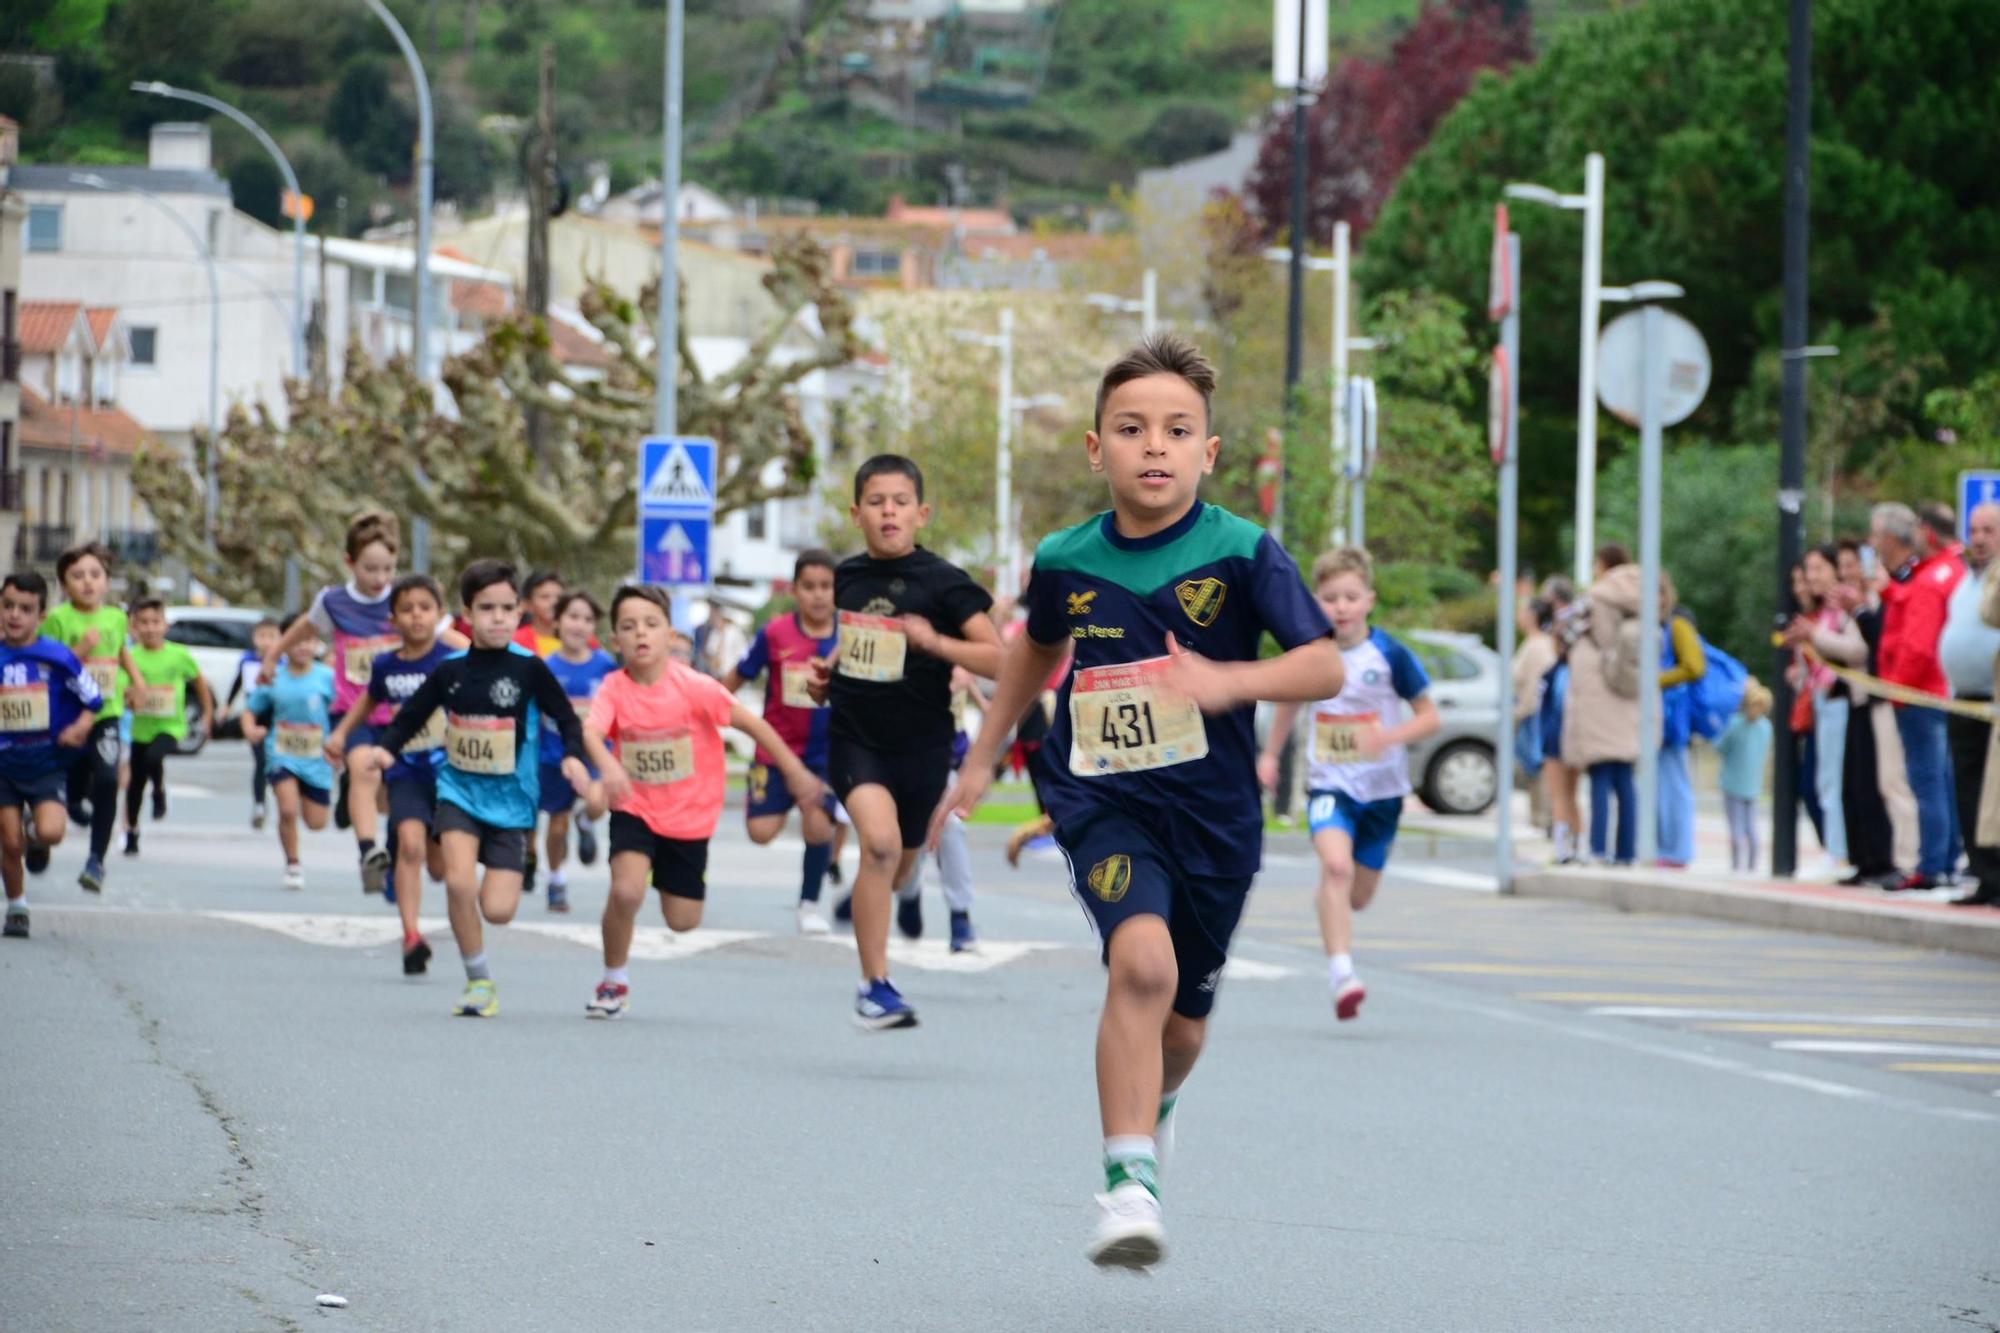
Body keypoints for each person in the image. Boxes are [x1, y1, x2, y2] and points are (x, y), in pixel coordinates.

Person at [928, 333, 1340, 1270]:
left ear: (1209, 451)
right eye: (1131, 428)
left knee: (1184, 1023)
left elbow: (1323, 662)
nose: (1154, 446)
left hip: (1217, 816)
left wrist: (1227, 681)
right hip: (1100, 798)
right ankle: (1126, 1186)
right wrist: (985, 757)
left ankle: (1150, 1110)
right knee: (1141, 967)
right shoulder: (1067, 558)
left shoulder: (1242, 550)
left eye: (1176, 429)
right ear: (1095, 448)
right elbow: (1031, 651)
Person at [806, 453, 1002, 1031]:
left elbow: (998, 658)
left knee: (899, 862)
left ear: (921, 513)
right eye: (875, 502)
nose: (887, 512)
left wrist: (935, 643)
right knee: (882, 846)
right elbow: (852, 639)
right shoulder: (846, 578)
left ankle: (899, 891)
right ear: (856, 513)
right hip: (856, 737)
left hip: (923, 746)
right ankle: (875, 986)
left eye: (899, 502)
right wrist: (826, 676)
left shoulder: (945, 582)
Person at [352, 560, 591, 1018]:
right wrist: (386, 750)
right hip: (458, 792)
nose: (498, 618)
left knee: (497, 909)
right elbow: (410, 716)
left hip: (512, 802)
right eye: (486, 609)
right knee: (459, 882)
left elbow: (565, 717)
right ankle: (479, 981)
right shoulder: (450, 670)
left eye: (506, 608)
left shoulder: (530, 669)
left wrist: (573, 756)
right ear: (467, 613)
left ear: (520, 611)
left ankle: (503, 887)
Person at [578, 585, 827, 1019]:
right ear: (615, 640)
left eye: (651, 625)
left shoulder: (695, 687)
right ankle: (613, 979)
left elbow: (755, 726)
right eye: (629, 626)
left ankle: (663, 876)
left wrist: (795, 771)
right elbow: (591, 733)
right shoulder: (614, 689)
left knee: (683, 920)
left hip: (688, 818)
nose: (641, 634)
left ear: (670, 635)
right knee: (625, 891)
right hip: (634, 807)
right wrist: (610, 769)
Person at [1259, 546, 1437, 1021]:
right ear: (1316, 602)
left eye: (1350, 597)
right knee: (1335, 868)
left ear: (1369, 601)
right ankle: (1343, 975)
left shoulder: (1390, 653)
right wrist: (1271, 755)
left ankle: (1331, 905)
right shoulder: (1311, 652)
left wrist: (1388, 736)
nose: (1341, 607)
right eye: (1331, 597)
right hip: (1330, 785)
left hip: (1382, 791)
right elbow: (1288, 703)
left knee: (1357, 895)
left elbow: (1429, 716)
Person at [326, 574, 451, 972]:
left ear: (439, 615)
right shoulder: (386, 665)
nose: (417, 616)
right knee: (411, 844)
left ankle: (407, 869)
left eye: (425, 608)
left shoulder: (451, 663)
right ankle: (411, 936)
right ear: (393, 619)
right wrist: (342, 734)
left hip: (449, 774)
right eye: (407, 609)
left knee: (440, 867)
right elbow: (366, 703)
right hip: (405, 771)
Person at [263, 512, 405, 839]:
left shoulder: (403, 600)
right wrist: (273, 656)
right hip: (354, 712)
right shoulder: (334, 602)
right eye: (370, 569)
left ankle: (353, 793)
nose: (380, 578)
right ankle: (369, 848)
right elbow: (304, 628)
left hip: (398, 711)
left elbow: (440, 635)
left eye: (388, 569)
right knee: (364, 772)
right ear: (349, 563)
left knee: (388, 792)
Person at [722, 550, 840, 934]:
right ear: (794, 590)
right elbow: (737, 677)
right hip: (775, 751)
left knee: (817, 823)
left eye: (826, 586)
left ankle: (809, 903)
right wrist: (706, 705)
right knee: (761, 833)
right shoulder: (774, 634)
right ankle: (808, 813)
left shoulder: (849, 635)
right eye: (809, 587)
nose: (818, 595)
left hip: (827, 754)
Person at [0, 570, 104, 938]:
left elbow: (93, 697)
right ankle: (17, 906)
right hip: (3, 767)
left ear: (41, 616)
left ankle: (34, 832)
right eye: (8, 606)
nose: (15, 615)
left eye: (25, 609)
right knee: (9, 843)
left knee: (51, 832)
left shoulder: (58, 657)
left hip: (46, 764)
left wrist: (81, 725)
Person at [39, 541, 147, 892]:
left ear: (106, 581)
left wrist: (138, 682)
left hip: (106, 714)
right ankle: (56, 817)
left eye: (95, 575)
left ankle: (96, 861)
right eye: (78, 576)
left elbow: (119, 652)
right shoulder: (58, 619)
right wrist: (80, 650)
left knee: (107, 779)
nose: (88, 582)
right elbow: (45, 665)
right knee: (69, 778)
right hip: (65, 718)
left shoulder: (116, 617)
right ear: (64, 584)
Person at [1872, 501, 1963, 890]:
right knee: (1939, 779)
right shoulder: (1941, 572)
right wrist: (1891, 592)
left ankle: (1932, 865)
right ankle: (1942, 860)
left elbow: (1918, 645)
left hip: (1920, 694)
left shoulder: (1932, 577)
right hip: (1933, 692)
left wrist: (1897, 687)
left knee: (1927, 780)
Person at [1781, 545, 1865, 880]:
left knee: (1831, 781)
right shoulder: (1823, 612)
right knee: (1821, 781)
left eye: (1818, 569)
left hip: (1838, 698)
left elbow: (1851, 652)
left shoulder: (1842, 610)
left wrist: (1813, 637)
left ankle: (1839, 852)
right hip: (1821, 699)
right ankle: (1835, 849)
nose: (1810, 579)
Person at [245, 614, 336, 891]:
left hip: (317, 758)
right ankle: (293, 862)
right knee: (287, 809)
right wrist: (250, 729)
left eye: (308, 641)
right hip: (281, 752)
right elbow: (251, 709)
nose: (302, 647)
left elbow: (345, 711)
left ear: (317, 643)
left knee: (316, 822)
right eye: (295, 641)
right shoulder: (273, 677)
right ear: (284, 644)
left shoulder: (328, 677)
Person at [1563, 545, 1641, 865]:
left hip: (1596, 691)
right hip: (1628, 694)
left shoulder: (1596, 597)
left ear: (1605, 564)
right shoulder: (1643, 595)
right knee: (1624, 779)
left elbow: (1568, 633)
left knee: (1600, 777)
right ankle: (1627, 851)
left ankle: (1597, 847)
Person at [537, 590, 616, 912]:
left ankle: (585, 821)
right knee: (556, 827)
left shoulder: (606, 667)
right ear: (557, 622)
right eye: (572, 617)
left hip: (594, 756)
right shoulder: (544, 668)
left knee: (598, 802)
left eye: (587, 619)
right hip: (554, 758)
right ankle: (556, 881)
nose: (579, 625)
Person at [1939, 501, 2000, 906]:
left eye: (1988, 531)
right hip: (1962, 700)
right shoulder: (1966, 580)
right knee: (1967, 790)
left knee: (1993, 796)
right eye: (1973, 530)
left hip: (1992, 703)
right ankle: (1982, 875)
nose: (1977, 539)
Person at [123, 598, 211, 859]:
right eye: (144, 623)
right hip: (140, 728)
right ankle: (132, 833)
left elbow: (200, 683)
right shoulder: (131, 657)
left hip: (171, 726)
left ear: (166, 625)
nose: (150, 628)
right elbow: (122, 689)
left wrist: (207, 714)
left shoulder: (178, 655)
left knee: (154, 757)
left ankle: (159, 789)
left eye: (155, 622)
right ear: (134, 627)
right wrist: (129, 698)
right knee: (135, 785)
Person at [1655, 571, 1706, 869]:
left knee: (1675, 784)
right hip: (1658, 716)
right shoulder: (1656, 626)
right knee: (1660, 785)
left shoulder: (1677, 625)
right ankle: (1664, 846)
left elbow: (1695, 666)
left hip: (1674, 718)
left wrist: (1658, 679)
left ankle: (1677, 850)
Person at [1537, 577, 1583, 862]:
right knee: (1573, 794)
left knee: (1559, 795)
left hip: (1556, 733)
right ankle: (1577, 845)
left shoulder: (1556, 675)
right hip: (1576, 732)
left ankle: (1562, 848)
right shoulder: (1578, 673)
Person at [224, 618, 280, 829]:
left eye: (271, 637)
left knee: (276, 762)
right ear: (254, 638)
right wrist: (227, 705)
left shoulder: (281, 664)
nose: (266, 642)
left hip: (277, 718)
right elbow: (237, 683)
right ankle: (259, 804)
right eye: (262, 636)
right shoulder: (247, 661)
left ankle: (283, 796)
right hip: (254, 718)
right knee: (261, 761)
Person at [1716, 678, 1774, 874]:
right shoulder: (1766, 727)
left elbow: (1720, 747)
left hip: (1732, 783)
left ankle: (1736, 865)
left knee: (1736, 828)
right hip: (1753, 783)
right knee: (1751, 827)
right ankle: (1752, 865)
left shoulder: (1735, 724)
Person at [1512, 593, 1556, 834]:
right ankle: (1540, 818)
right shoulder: (1532, 643)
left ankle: (1544, 818)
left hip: (1534, 715)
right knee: (1532, 768)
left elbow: (1535, 686)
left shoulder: (1538, 645)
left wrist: (1520, 712)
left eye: (1522, 611)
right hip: (1529, 713)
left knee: (1537, 767)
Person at [512, 569, 564, 657]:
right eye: (545, 597)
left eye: (559, 597)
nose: (554, 602)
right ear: (528, 605)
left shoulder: (581, 637)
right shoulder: (515, 642)